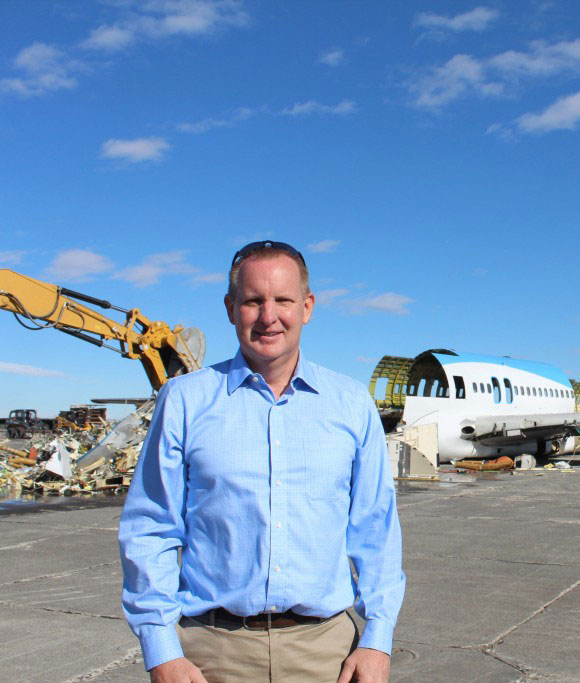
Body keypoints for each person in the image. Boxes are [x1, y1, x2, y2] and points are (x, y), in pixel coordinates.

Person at [119, 241, 404, 683]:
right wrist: (161, 651)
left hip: (327, 654)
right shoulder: (184, 401)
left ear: (307, 307)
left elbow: (375, 528)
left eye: (283, 300)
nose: (269, 316)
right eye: (253, 300)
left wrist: (377, 640)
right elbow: (150, 528)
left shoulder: (351, 404)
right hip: (210, 654)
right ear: (232, 308)